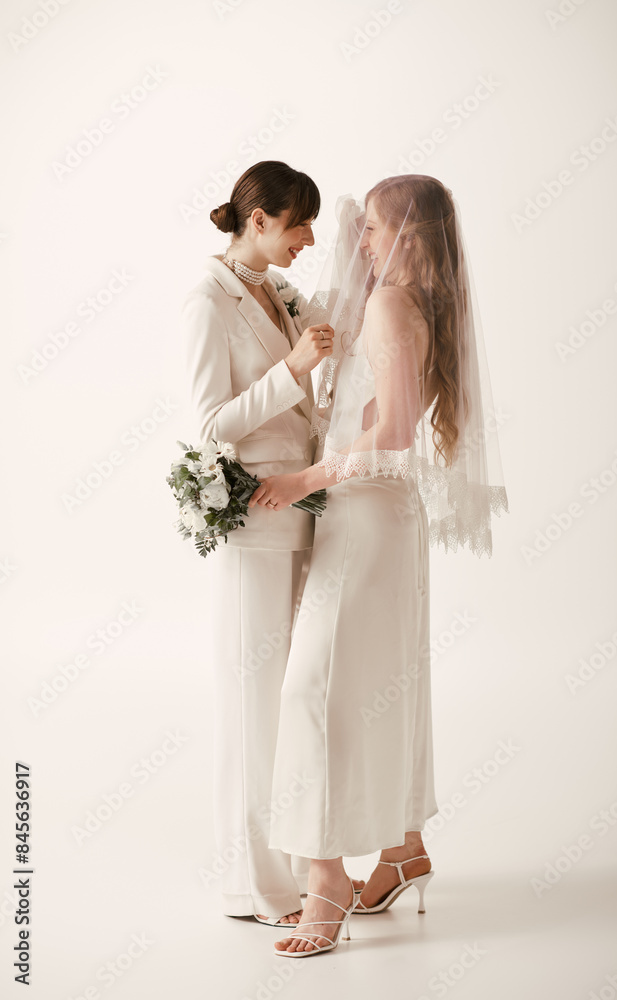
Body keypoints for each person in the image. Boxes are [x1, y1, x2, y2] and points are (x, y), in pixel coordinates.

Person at [248, 174, 509, 956]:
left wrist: (303, 478)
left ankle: (324, 876)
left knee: (312, 689)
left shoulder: (393, 305)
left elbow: (393, 429)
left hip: (366, 513)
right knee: (383, 681)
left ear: (406, 236)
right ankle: (403, 849)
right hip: (378, 516)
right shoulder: (409, 302)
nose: (355, 239)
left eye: (371, 229)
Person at [181, 159, 340, 926]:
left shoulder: (277, 289)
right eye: (298, 223)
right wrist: (293, 369)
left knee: (291, 702)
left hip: (302, 511)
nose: (310, 238)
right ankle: (254, 887)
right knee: (252, 707)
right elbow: (210, 425)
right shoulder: (205, 295)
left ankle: (295, 868)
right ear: (258, 219)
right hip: (252, 522)